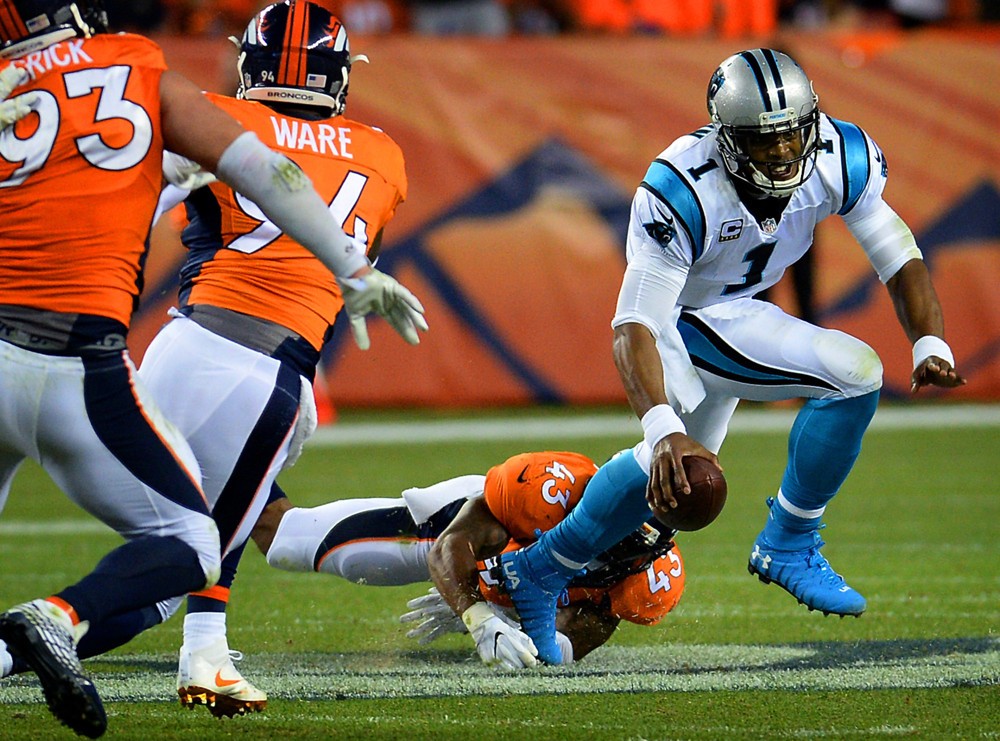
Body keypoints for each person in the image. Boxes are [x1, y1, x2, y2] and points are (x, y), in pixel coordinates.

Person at [0, 1, 425, 735]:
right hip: (257, 366)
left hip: (173, 341)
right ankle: (197, 651)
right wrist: (353, 271)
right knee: (190, 550)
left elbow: (144, 183)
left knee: (198, 536)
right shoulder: (381, 151)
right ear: (345, 74)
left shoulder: (207, 106)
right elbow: (274, 174)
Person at [494, 48, 966, 665]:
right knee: (855, 375)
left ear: (812, 121)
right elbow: (634, 321)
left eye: (792, 134)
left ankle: (536, 569)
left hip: (736, 308)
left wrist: (930, 340)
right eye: (761, 140)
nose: (781, 151)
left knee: (677, 483)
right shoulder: (682, 186)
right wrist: (661, 424)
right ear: (726, 137)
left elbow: (898, 254)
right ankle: (790, 539)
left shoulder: (838, 157)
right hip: (678, 319)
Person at [252, 449, 685, 667]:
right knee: (284, 542)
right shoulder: (548, 492)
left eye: (635, 546)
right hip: (444, 528)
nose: (618, 550)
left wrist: (518, 627)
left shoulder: (648, 576)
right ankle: (234, 467)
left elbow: (571, 640)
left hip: (498, 574)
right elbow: (448, 547)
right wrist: (475, 608)